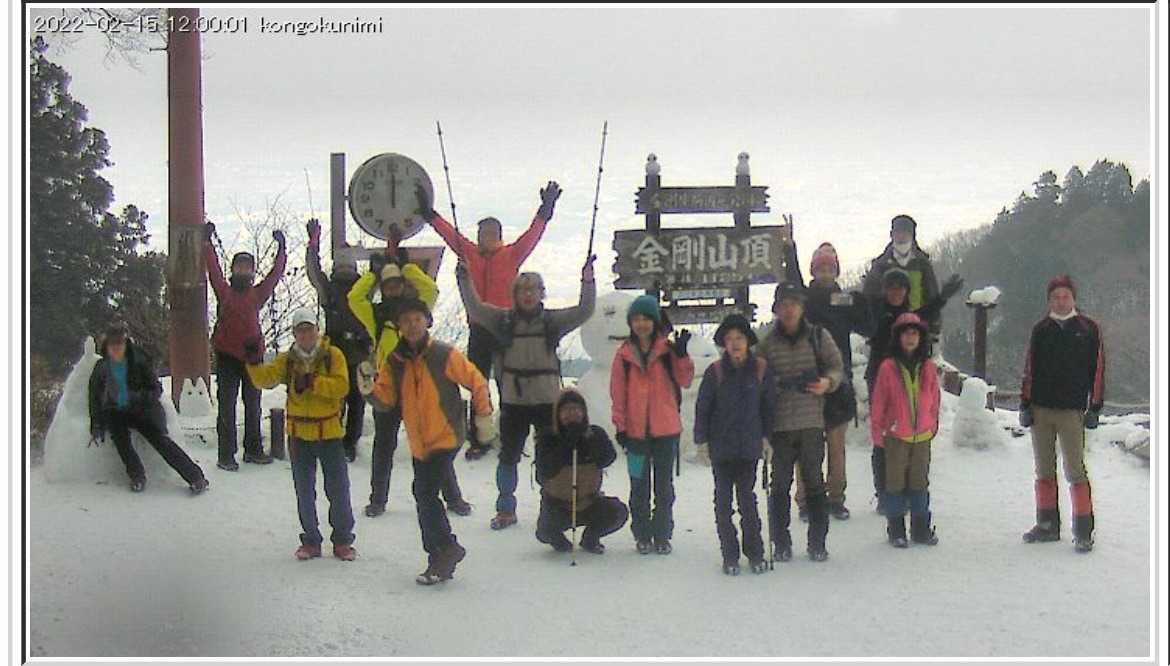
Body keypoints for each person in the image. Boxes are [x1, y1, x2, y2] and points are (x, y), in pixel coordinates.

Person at [416, 181, 560, 460]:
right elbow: (449, 234)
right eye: (483, 233)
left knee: (508, 383)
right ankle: (479, 437)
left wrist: (546, 209)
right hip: (479, 328)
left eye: (492, 234)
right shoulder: (469, 253)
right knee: (476, 383)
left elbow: (533, 235)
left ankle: (509, 434)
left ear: (499, 236)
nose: (486, 238)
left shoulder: (512, 254)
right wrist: (430, 214)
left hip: (505, 327)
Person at [456, 252, 596, 530]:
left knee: (549, 459)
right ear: (515, 294)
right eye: (523, 290)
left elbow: (584, 311)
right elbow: (475, 308)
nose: (529, 295)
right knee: (508, 458)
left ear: (542, 293)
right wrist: (464, 278)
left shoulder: (552, 321)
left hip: (547, 403)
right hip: (514, 402)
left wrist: (588, 281)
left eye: (534, 290)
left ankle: (552, 508)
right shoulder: (502, 320)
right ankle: (505, 510)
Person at [366, 299, 495, 585]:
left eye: (417, 319)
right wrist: (368, 390)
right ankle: (440, 556)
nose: (412, 325)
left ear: (427, 321)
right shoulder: (395, 361)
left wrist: (483, 418)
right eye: (406, 320)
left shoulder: (443, 354)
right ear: (399, 327)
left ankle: (446, 549)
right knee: (423, 493)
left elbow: (477, 381)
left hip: (446, 435)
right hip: (419, 441)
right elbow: (386, 401)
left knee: (424, 492)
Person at [347, 242, 470, 517]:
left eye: (396, 283)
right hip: (388, 387)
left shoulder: (416, 309)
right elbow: (354, 299)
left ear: (403, 285)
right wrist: (372, 275)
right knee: (383, 445)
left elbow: (431, 289)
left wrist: (406, 267)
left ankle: (453, 498)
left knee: (434, 442)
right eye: (387, 285)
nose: (392, 288)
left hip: (419, 387)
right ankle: (378, 500)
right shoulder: (376, 315)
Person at [245, 309, 356, 561]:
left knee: (338, 490)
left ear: (317, 330)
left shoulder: (332, 355)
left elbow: (342, 386)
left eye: (309, 329)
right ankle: (311, 541)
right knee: (304, 491)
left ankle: (342, 540)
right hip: (298, 435)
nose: (305, 335)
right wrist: (253, 363)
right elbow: (266, 380)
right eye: (300, 330)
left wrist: (314, 382)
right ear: (295, 334)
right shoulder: (288, 360)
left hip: (328, 433)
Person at [784, 240, 874, 522]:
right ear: (813, 271)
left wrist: (865, 303)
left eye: (830, 269)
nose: (825, 273)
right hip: (807, 379)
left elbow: (868, 327)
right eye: (820, 268)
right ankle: (806, 501)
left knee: (836, 445)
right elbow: (792, 280)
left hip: (838, 380)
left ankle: (836, 498)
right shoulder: (804, 299)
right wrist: (789, 250)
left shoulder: (843, 299)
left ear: (836, 271)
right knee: (807, 446)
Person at [754, 283, 844, 562]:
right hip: (780, 424)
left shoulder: (818, 336)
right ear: (776, 309)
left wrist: (827, 382)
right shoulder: (767, 343)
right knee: (779, 486)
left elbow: (836, 366)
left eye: (793, 304)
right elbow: (755, 377)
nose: (789, 310)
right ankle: (781, 542)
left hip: (811, 421)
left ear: (802, 307)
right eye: (784, 305)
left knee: (815, 484)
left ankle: (817, 543)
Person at [864, 266, 962, 513]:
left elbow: (926, 312)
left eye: (901, 288)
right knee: (884, 442)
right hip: (881, 379)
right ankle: (885, 493)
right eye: (891, 288)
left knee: (908, 437)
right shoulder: (875, 312)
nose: (896, 292)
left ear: (907, 291)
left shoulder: (909, 316)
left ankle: (908, 490)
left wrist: (943, 297)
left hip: (908, 380)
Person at [1018, 275, 1104, 553]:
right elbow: (1029, 368)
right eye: (1056, 297)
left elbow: (1098, 369)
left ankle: (1083, 530)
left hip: (1072, 410)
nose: (1061, 301)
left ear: (1073, 298)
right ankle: (1047, 524)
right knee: (1044, 469)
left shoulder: (1088, 329)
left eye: (1065, 296)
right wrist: (1025, 403)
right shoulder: (1041, 329)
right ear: (1049, 300)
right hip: (1041, 408)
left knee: (1075, 469)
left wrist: (1095, 406)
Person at [610, 295, 695, 555]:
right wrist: (621, 427)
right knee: (638, 486)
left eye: (646, 318)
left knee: (664, 487)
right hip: (635, 434)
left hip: (665, 433)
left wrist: (682, 355)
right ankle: (642, 534)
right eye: (636, 319)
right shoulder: (624, 355)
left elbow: (685, 380)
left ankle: (662, 534)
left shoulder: (668, 351)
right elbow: (618, 394)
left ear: (655, 321)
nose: (641, 324)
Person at [694, 314, 776, 575]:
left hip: (749, 448)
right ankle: (729, 555)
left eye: (739, 338)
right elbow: (703, 408)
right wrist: (701, 441)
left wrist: (767, 437)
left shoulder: (760, 369)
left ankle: (755, 553)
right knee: (723, 504)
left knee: (747, 501)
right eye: (729, 339)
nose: (735, 343)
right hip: (721, 448)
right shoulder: (715, 372)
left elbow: (768, 407)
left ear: (748, 341)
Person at [87, 321, 209, 495]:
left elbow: (156, 389)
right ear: (106, 346)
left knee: (161, 441)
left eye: (119, 345)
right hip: (115, 412)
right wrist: (97, 424)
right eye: (112, 345)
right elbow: (94, 397)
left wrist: (138, 397)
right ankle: (137, 476)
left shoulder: (139, 360)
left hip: (142, 410)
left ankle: (195, 477)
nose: (116, 349)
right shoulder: (101, 368)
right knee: (121, 441)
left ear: (125, 343)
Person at [204, 221, 287, 471]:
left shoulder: (257, 294)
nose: (243, 270)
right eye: (239, 266)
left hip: (252, 356)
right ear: (233, 269)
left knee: (253, 405)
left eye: (247, 267)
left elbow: (275, 275)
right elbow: (213, 270)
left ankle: (253, 450)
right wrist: (207, 243)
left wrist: (282, 248)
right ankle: (226, 455)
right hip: (227, 356)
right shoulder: (225, 292)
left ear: (252, 271)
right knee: (226, 407)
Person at [869, 312, 941, 548]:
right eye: (906, 334)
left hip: (922, 434)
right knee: (895, 484)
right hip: (896, 435)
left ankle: (921, 528)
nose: (910, 338)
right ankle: (896, 529)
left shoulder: (928, 367)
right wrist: (878, 431)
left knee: (920, 482)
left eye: (914, 334)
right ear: (898, 337)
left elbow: (934, 397)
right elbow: (879, 401)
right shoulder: (888, 367)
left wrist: (933, 422)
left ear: (921, 338)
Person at [304, 218, 371, 463]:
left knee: (341, 399)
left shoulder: (332, 289)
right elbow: (314, 272)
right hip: (351, 352)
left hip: (342, 351)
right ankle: (346, 443)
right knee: (352, 400)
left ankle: (341, 441)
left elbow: (313, 271)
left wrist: (313, 242)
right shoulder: (362, 287)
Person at [534, 389, 629, 554]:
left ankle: (590, 538)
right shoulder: (547, 437)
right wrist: (566, 444)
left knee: (618, 512)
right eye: (566, 410)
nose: (572, 414)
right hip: (558, 505)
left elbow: (608, 458)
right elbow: (544, 473)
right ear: (558, 414)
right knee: (544, 531)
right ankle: (560, 542)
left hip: (589, 502)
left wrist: (588, 442)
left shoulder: (595, 433)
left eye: (576, 409)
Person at [861, 214, 942, 340]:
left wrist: (933, 327)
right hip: (887, 328)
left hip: (917, 327)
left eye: (905, 232)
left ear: (912, 235)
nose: (901, 236)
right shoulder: (880, 264)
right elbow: (869, 297)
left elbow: (931, 294)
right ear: (891, 235)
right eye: (898, 232)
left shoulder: (922, 264)